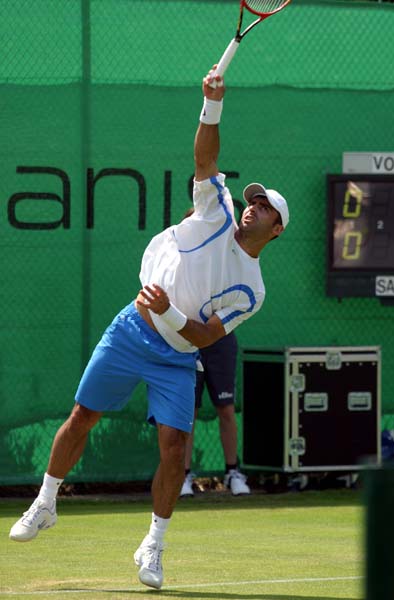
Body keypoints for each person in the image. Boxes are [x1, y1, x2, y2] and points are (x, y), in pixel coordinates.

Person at [9, 64, 289, 591]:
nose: (253, 207)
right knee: (83, 415)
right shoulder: (217, 210)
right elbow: (204, 158)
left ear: (276, 230)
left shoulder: (252, 290)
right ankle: (45, 502)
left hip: (177, 357)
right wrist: (212, 102)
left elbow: (206, 337)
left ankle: (154, 545)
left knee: (175, 449)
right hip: (131, 330)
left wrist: (171, 313)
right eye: (253, 200)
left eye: (265, 207)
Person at [180, 330, 251, 497]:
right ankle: (183, 475)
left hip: (221, 342)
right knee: (189, 412)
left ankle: (232, 473)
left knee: (226, 409)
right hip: (188, 342)